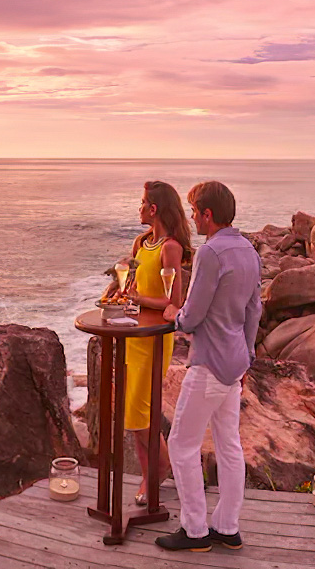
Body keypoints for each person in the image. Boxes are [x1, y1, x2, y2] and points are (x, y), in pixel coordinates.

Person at [156, 180, 261, 553]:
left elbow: (193, 315)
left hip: (209, 364)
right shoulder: (248, 250)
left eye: (194, 212)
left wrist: (175, 314)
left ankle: (195, 530)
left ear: (208, 214)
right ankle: (227, 527)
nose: (192, 218)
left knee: (181, 446)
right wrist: (247, 356)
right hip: (234, 363)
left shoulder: (211, 253)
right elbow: (254, 310)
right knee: (229, 445)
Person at [117, 181, 190, 505]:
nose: (139, 208)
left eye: (143, 202)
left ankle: (160, 470)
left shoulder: (170, 248)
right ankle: (150, 476)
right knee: (132, 414)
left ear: (154, 208)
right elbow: (132, 282)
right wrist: (122, 294)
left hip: (154, 339)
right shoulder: (140, 243)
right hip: (133, 333)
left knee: (141, 411)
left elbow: (174, 300)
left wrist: (137, 297)